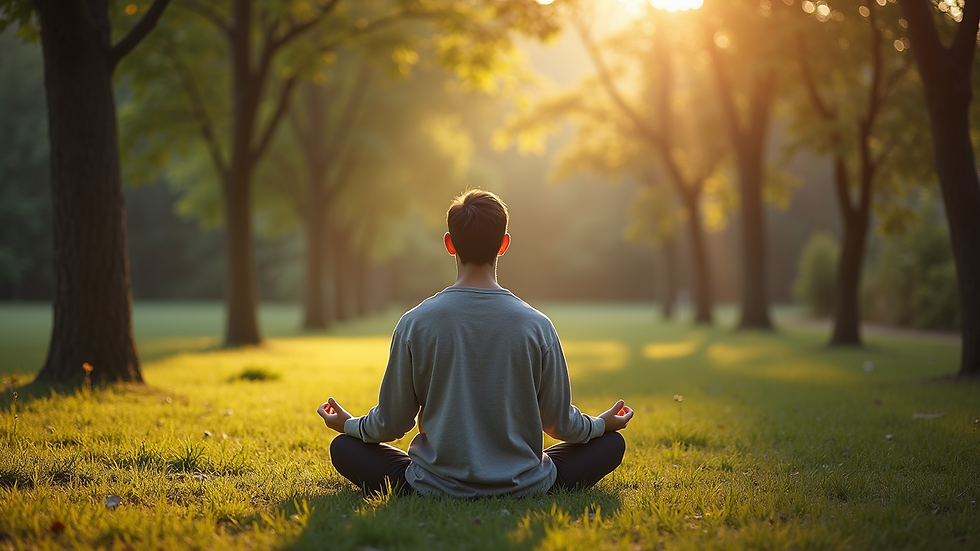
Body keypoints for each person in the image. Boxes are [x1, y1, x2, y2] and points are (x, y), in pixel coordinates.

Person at [317, 189, 634, 497]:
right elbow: (561, 424)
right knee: (610, 444)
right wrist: (600, 424)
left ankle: (431, 484)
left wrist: (349, 425)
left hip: (434, 482)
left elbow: (391, 424)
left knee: (344, 448)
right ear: (504, 244)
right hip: (525, 482)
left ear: (450, 244)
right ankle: (525, 479)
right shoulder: (538, 326)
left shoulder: (414, 323)